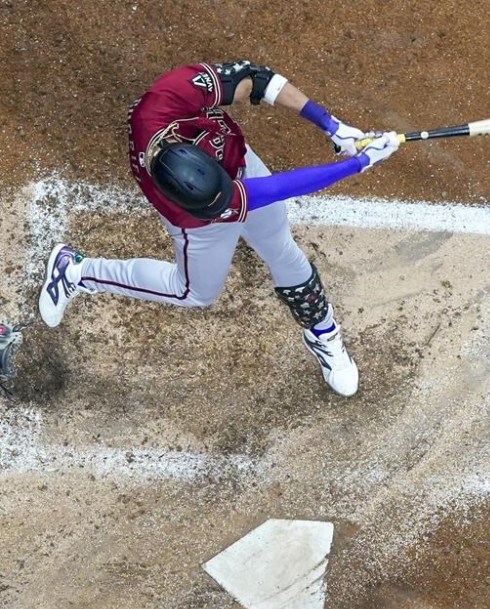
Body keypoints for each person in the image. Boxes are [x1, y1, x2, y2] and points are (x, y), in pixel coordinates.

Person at [38, 61, 400, 397]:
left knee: (279, 245)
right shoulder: (189, 205)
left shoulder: (171, 95)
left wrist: (332, 126)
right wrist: (360, 162)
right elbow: (281, 188)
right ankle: (76, 271)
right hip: (200, 224)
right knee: (192, 292)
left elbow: (257, 79)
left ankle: (322, 333)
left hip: (240, 160)